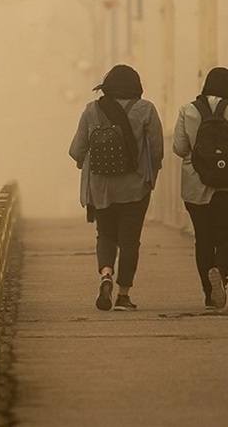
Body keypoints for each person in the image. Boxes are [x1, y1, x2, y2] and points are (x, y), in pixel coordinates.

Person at [69, 64, 164, 311]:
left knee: (106, 234)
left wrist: (84, 162)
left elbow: (76, 149)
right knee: (130, 241)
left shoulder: (92, 109)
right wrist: (151, 174)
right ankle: (123, 295)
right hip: (135, 187)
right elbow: (156, 150)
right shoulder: (146, 109)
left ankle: (106, 274)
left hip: (102, 188)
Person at [172, 67, 228, 309]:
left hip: (197, 186)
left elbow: (178, 147)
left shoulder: (187, 110)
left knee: (204, 239)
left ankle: (209, 295)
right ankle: (221, 272)